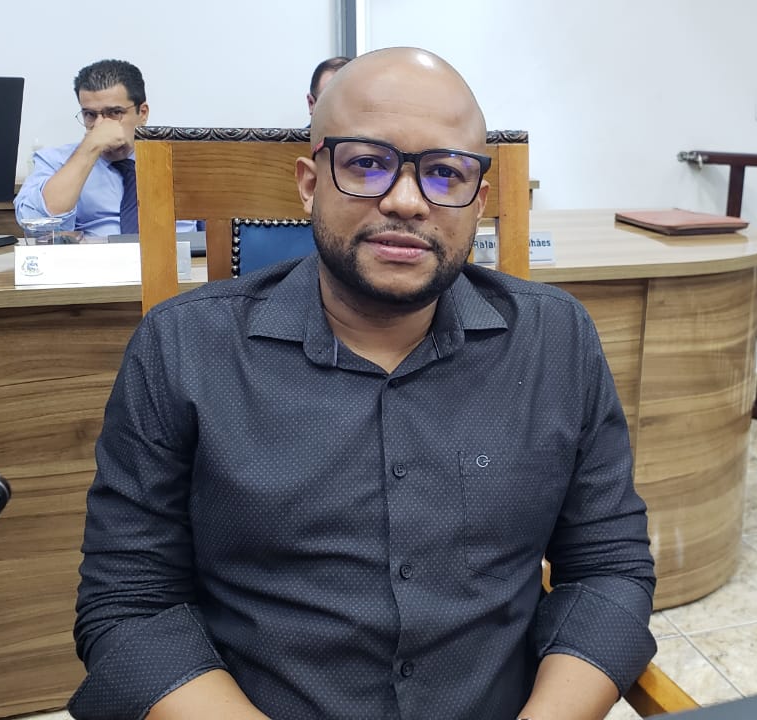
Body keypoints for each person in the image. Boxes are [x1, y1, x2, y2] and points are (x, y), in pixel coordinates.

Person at [69, 47, 657, 720]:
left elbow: (608, 568)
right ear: (310, 183)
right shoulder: (183, 348)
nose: (406, 201)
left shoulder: (555, 341)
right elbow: (130, 603)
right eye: (367, 164)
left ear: (479, 201)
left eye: (445, 173)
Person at [15, 59, 198, 237]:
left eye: (115, 113)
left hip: (178, 255)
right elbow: (35, 224)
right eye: (90, 114)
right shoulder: (55, 161)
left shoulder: (182, 161)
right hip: (94, 256)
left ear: (142, 113)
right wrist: (91, 147)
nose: (100, 125)